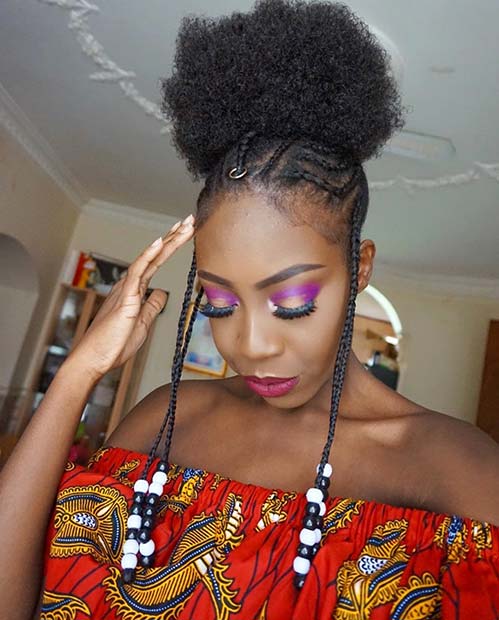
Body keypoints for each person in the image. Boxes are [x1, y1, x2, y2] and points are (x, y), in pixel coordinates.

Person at [1, 1, 498, 618]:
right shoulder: (168, 417)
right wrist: (78, 372)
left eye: (291, 304)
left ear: (360, 267)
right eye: (219, 301)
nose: (250, 344)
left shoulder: (457, 470)